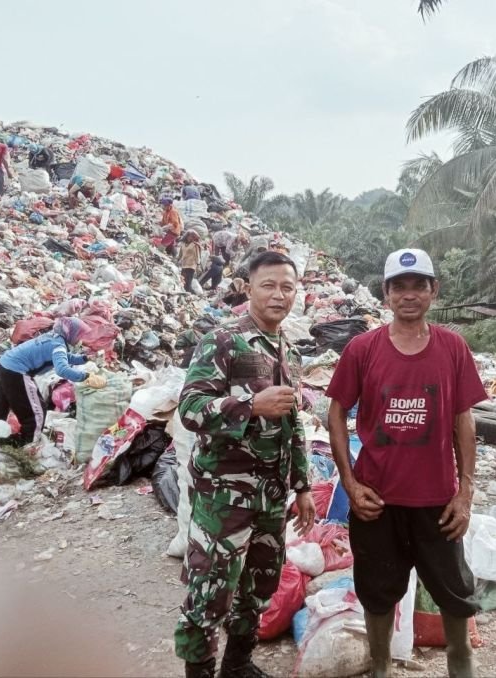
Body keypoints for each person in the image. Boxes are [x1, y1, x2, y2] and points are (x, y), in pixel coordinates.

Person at [326, 248, 487, 678]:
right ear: (386, 293)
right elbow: (337, 412)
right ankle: (380, 667)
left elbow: (463, 420)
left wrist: (465, 490)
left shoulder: (453, 348)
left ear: (433, 291)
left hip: (437, 500)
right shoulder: (362, 349)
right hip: (376, 500)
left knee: (454, 592)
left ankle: (461, 666)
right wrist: (350, 483)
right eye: (400, 286)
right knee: (378, 592)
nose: (409, 295)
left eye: (419, 286)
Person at [175, 251, 316, 678]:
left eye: (287, 287)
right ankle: (199, 671)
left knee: (258, 585)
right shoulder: (223, 339)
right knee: (210, 589)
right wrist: (250, 405)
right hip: (225, 494)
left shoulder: (286, 347)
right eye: (269, 285)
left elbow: (292, 423)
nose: (279, 295)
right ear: (249, 288)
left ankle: (237, 665)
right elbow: (190, 409)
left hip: (271, 494)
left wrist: (303, 485)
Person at [0, 317, 107, 446]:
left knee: (1, 405)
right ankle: (27, 443)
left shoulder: (53, 337)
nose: (79, 339)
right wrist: (86, 377)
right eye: (79, 335)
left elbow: (64, 357)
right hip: (16, 372)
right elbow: (62, 369)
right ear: (71, 332)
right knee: (36, 412)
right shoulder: (58, 345)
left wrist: (84, 358)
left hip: (4, 364)